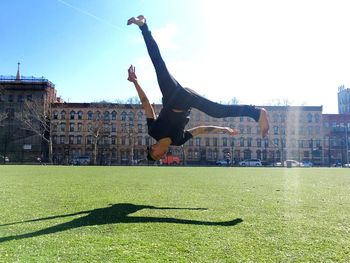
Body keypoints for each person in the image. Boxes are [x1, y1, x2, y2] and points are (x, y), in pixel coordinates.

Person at [127, 15, 269, 162]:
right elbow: (201, 130)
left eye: (156, 155)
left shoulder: (153, 131)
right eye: (159, 157)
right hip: (188, 100)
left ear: (153, 147)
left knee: (158, 63)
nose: (161, 156)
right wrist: (224, 130)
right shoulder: (178, 141)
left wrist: (135, 83)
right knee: (218, 111)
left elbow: (146, 104)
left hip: (172, 96)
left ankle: (143, 26)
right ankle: (256, 112)